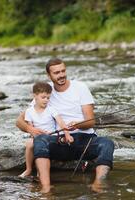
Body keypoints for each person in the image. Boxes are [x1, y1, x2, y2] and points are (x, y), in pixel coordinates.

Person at [16, 58, 114, 193]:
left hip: (84, 139)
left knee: (107, 143)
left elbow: (91, 121)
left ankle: (98, 184)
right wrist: (30, 129)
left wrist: (78, 124)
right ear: (49, 76)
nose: (61, 75)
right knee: (40, 140)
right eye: (56, 73)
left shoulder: (80, 87)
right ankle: (46, 187)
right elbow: (19, 121)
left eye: (63, 71)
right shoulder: (46, 92)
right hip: (59, 141)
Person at [18, 82, 74, 178]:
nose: (46, 100)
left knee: (43, 144)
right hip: (37, 137)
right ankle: (28, 169)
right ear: (35, 96)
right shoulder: (29, 111)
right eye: (43, 97)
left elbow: (61, 123)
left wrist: (67, 134)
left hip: (51, 137)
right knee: (29, 143)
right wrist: (36, 135)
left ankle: (40, 171)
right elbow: (31, 128)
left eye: (48, 98)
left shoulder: (51, 109)